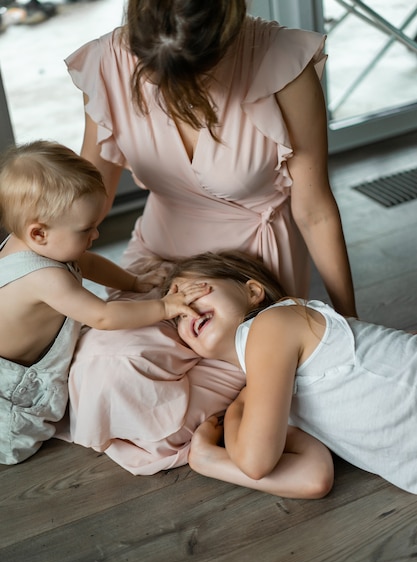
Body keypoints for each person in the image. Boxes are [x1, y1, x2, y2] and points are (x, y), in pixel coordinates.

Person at [63, 0, 357, 474]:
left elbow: (315, 209)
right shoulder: (106, 62)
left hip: (248, 268)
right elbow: (87, 195)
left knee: (180, 412)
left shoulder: (280, 62)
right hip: (159, 253)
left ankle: (236, 418)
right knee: (105, 368)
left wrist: (347, 324)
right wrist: (35, 265)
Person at [0, 140, 207, 465]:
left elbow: (89, 263)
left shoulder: (33, 242)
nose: (95, 235)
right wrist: (165, 307)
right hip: (13, 383)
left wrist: (134, 283)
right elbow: (105, 317)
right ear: (39, 234)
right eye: (86, 229)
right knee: (15, 441)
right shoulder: (43, 277)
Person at [164, 249, 417, 497]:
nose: (187, 310)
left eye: (193, 292)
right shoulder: (268, 393)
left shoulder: (272, 323)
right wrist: (209, 459)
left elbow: (256, 462)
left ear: (252, 291)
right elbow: (312, 476)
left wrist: (232, 416)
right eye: (177, 317)